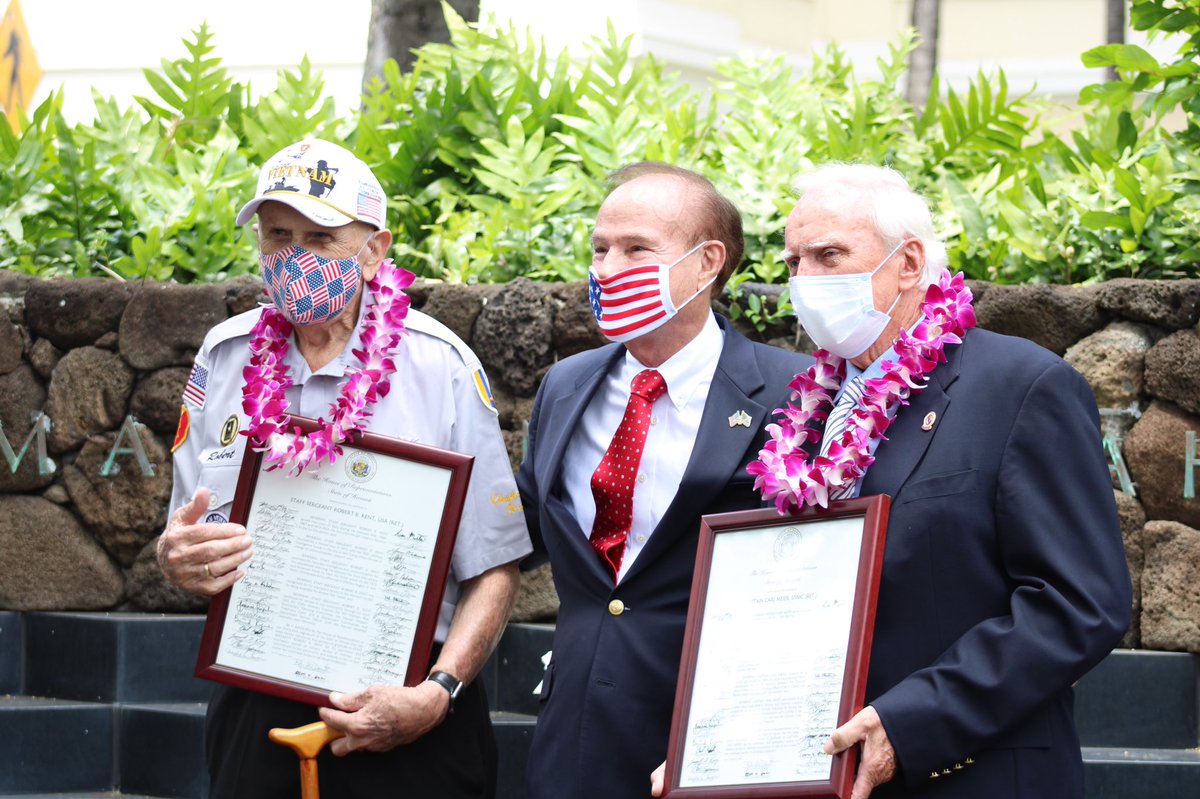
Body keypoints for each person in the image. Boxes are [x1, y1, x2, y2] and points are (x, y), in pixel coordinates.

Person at [156, 138, 531, 799]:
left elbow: (494, 567)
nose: (294, 257)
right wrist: (178, 556)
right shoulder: (223, 356)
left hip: (415, 712)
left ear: (375, 249)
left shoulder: (440, 365)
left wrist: (438, 692)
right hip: (257, 703)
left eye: (320, 238)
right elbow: (188, 536)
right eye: (278, 234)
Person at [743, 163, 1130, 799]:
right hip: (813, 766)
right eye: (793, 263)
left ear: (909, 262)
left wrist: (910, 720)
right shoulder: (805, 410)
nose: (805, 280)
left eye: (829, 254)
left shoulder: (1020, 386)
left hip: (970, 773)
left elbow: (1079, 603)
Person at [516, 162, 815, 799]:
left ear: (708, 263)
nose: (606, 268)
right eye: (599, 249)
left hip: (719, 739)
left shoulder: (795, 393)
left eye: (635, 249)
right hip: (573, 739)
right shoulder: (564, 386)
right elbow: (517, 533)